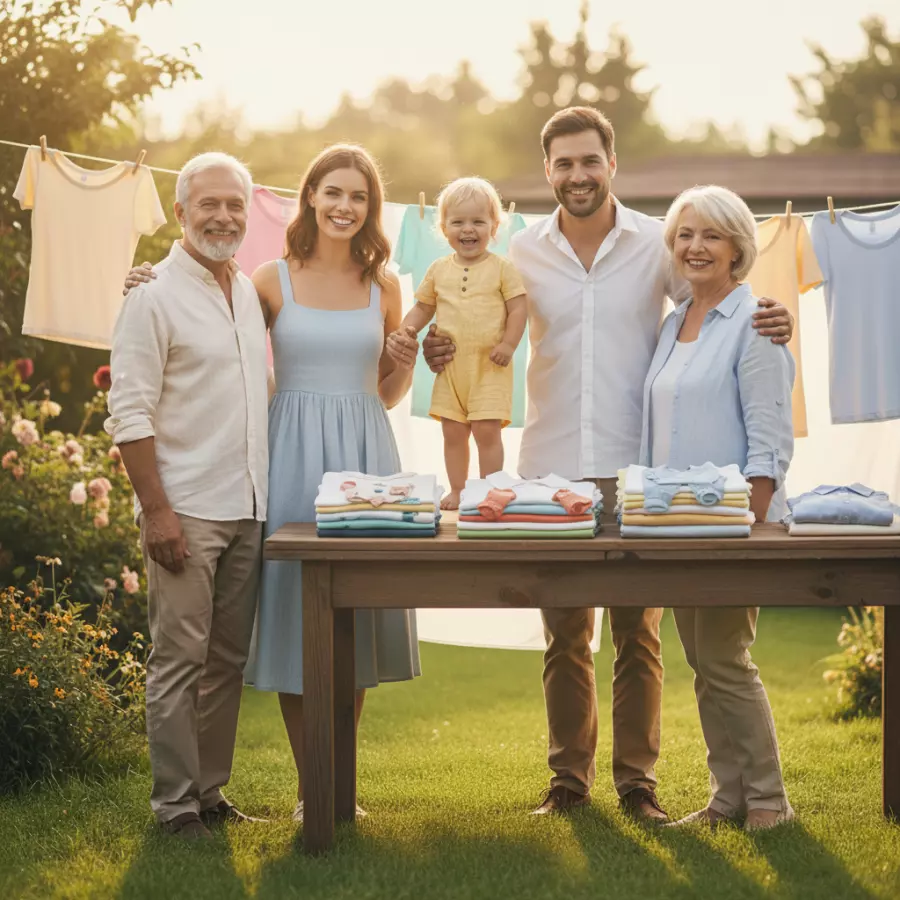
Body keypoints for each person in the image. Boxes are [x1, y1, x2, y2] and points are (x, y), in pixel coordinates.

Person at [391, 106, 795, 821]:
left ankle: (638, 784)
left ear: (612, 164)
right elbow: (477, 327)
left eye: (589, 160)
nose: (577, 175)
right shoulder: (520, 253)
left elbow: (713, 306)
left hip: (641, 469)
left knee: (639, 636)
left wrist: (774, 319)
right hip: (550, 467)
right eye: (563, 163)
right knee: (564, 635)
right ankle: (568, 783)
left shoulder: (656, 246)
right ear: (547, 171)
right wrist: (439, 349)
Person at [126, 144, 422, 823]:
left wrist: (405, 361)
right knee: (299, 617)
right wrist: (145, 280)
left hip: (365, 452)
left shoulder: (386, 286)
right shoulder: (267, 280)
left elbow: (388, 390)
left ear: (371, 208)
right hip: (289, 455)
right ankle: (308, 784)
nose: (346, 206)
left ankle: (333, 783)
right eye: (333, 192)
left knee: (358, 620)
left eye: (359, 196)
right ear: (310, 197)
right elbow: (205, 311)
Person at [107, 152, 269, 840]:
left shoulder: (250, 295)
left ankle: (209, 791)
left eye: (235, 204)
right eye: (209, 204)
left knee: (227, 660)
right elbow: (130, 413)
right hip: (188, 509)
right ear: (181, 213)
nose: (224, 216)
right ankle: (175, 807)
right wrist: (157, 511)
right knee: (178, 659)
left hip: (248, 505)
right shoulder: (151, 295)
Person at [641, 185, 794, 830]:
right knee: (703, 662)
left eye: (710, 235)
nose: (694, 247)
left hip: (732, 523)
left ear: (737, 247)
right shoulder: (674, 322)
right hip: (676, 521)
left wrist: (751, 524)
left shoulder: (756, 321)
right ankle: (726, 798)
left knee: (727, 658)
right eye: (684, 235)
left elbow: (769, 437)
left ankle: (769, 799)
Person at [390, 177, 527, 509]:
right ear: (444, 227)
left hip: (490, 367)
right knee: (453, 433)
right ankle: (458, 489)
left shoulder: (502, 268)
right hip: (450, 371)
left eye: (478, 221)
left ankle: (492, 489)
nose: (469, 229)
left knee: (486, 431)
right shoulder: (438, 270)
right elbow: (423, 306)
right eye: (459, 222)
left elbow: (519, 307)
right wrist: (406, 329)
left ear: (494, 228)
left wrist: (508, 344)